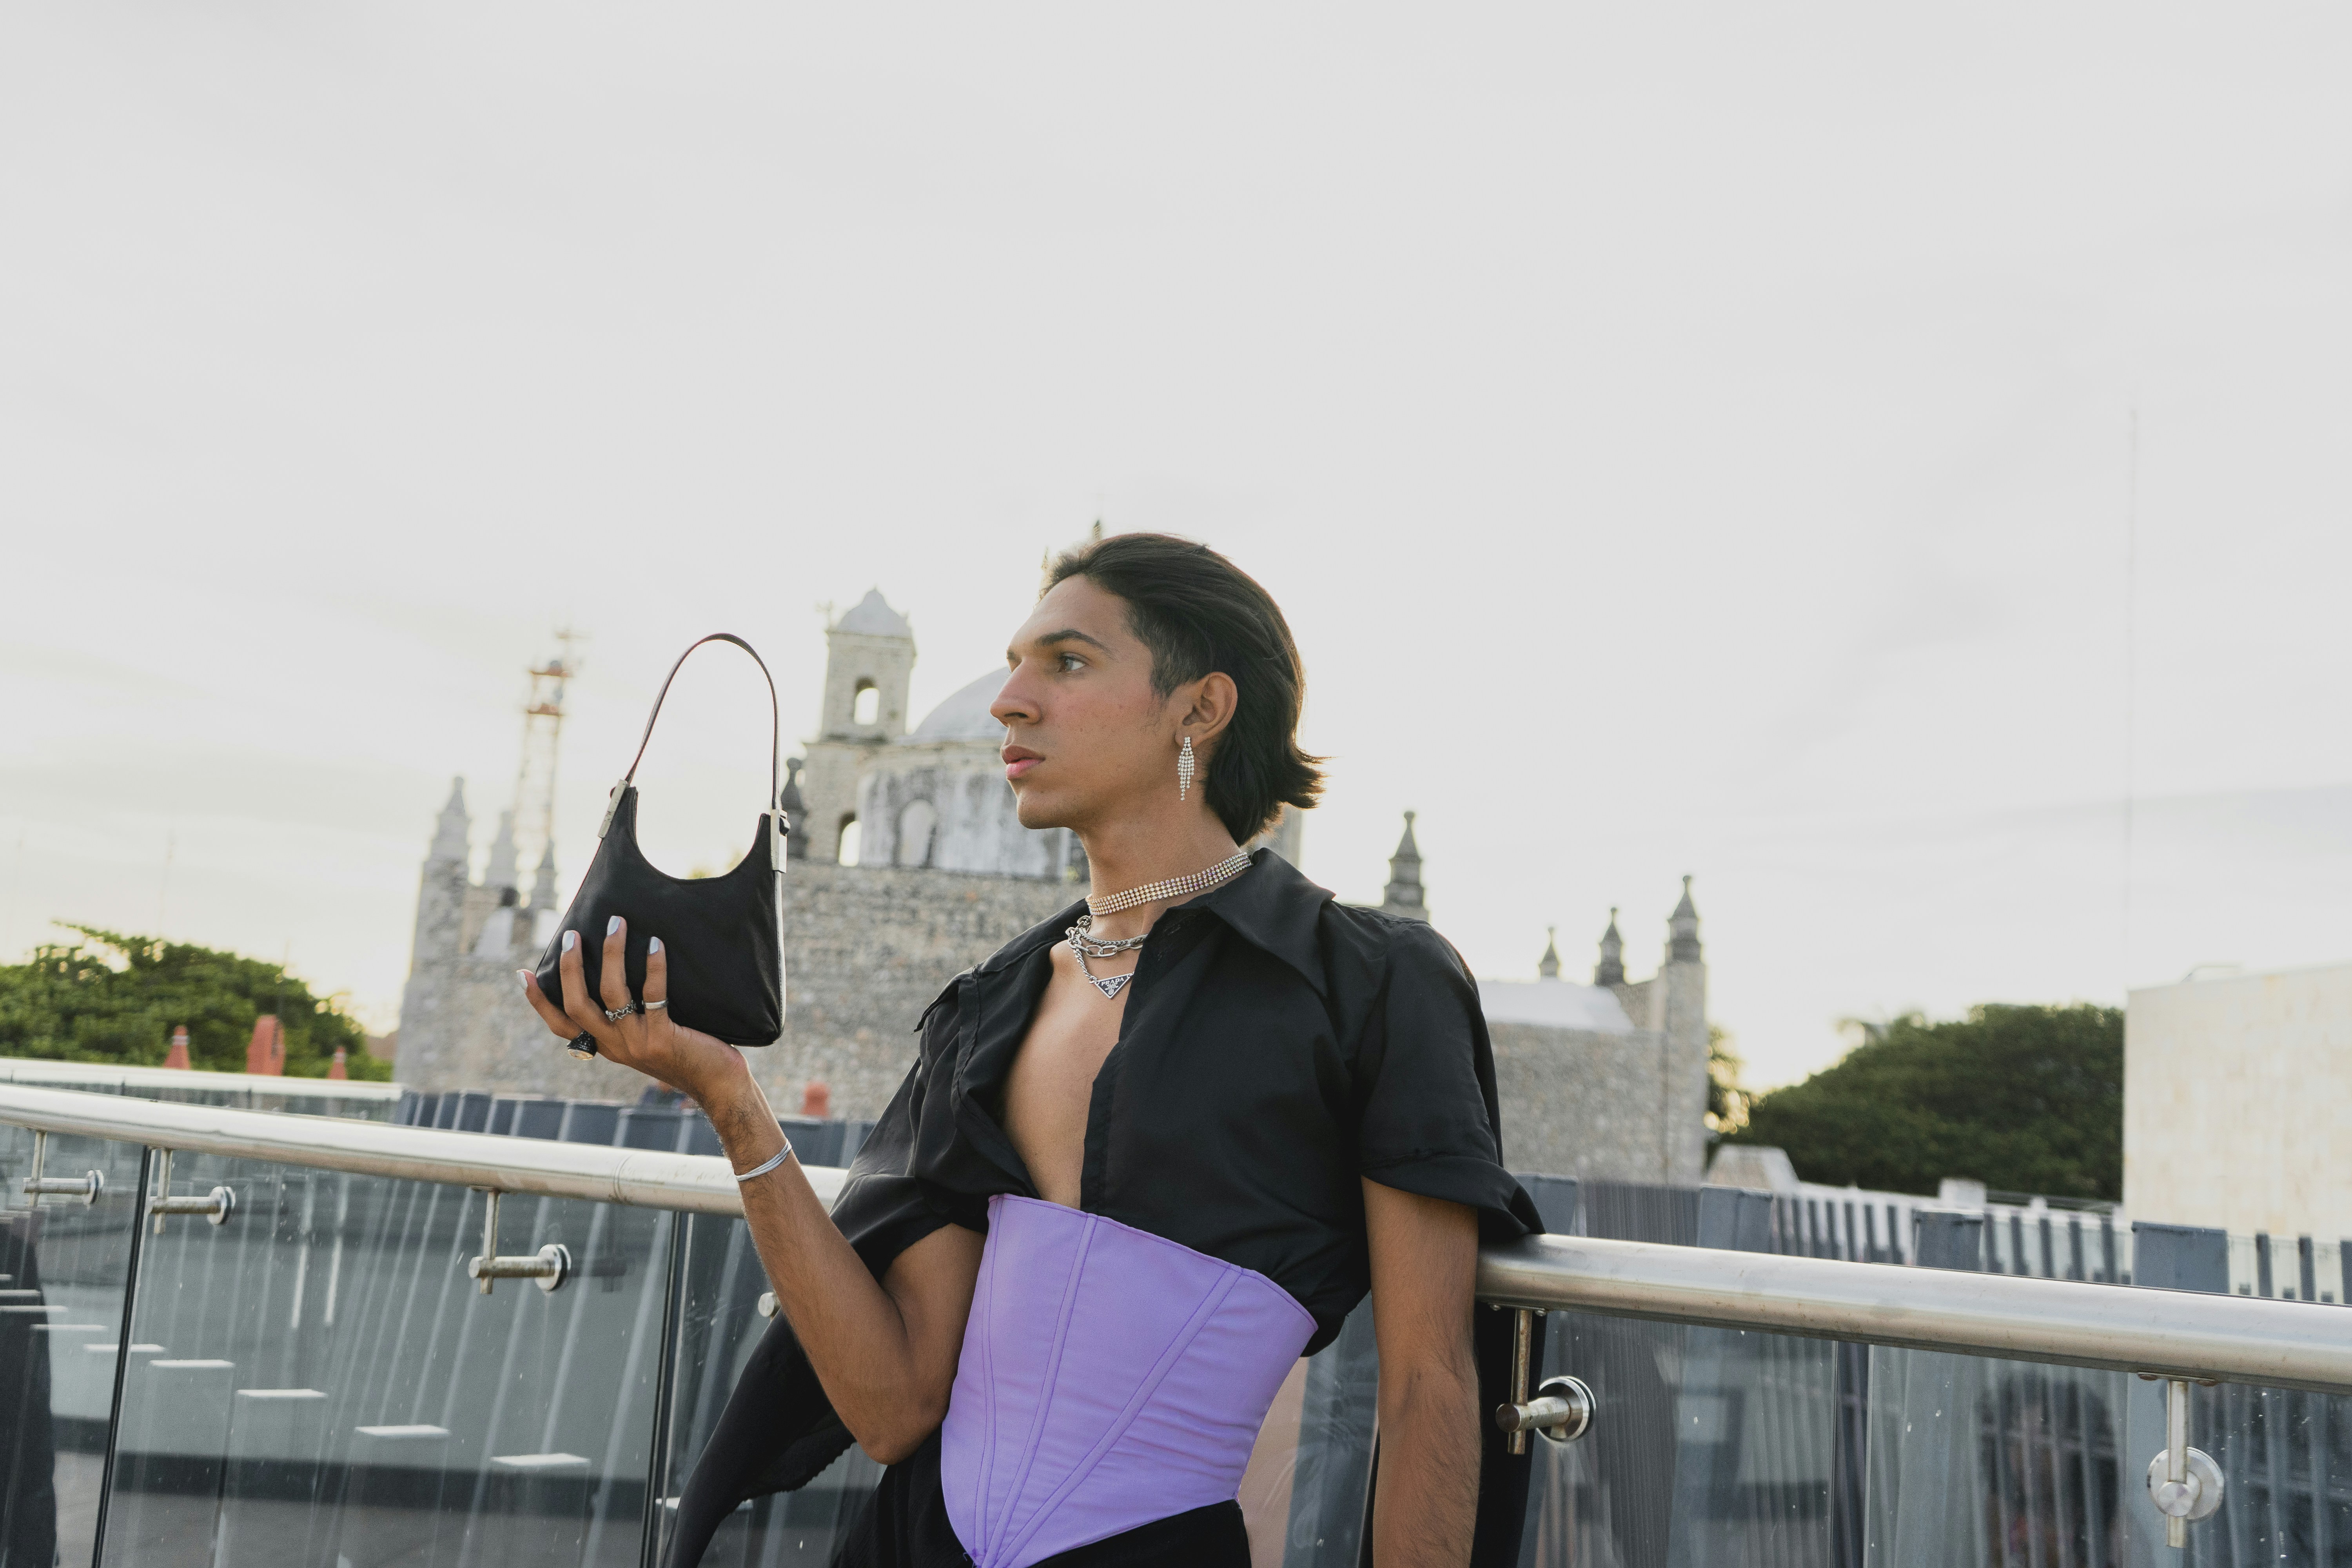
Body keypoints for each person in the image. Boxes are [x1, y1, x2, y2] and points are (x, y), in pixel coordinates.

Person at [523, 533, 1542, 1567]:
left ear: (1201, 708)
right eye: (1014, 664)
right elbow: (893, 1407)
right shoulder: (987, 1008)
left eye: (1066, 663)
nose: (1011, 699)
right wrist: (727, 1094)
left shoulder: (1372, 985)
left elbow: (1431, 1386)